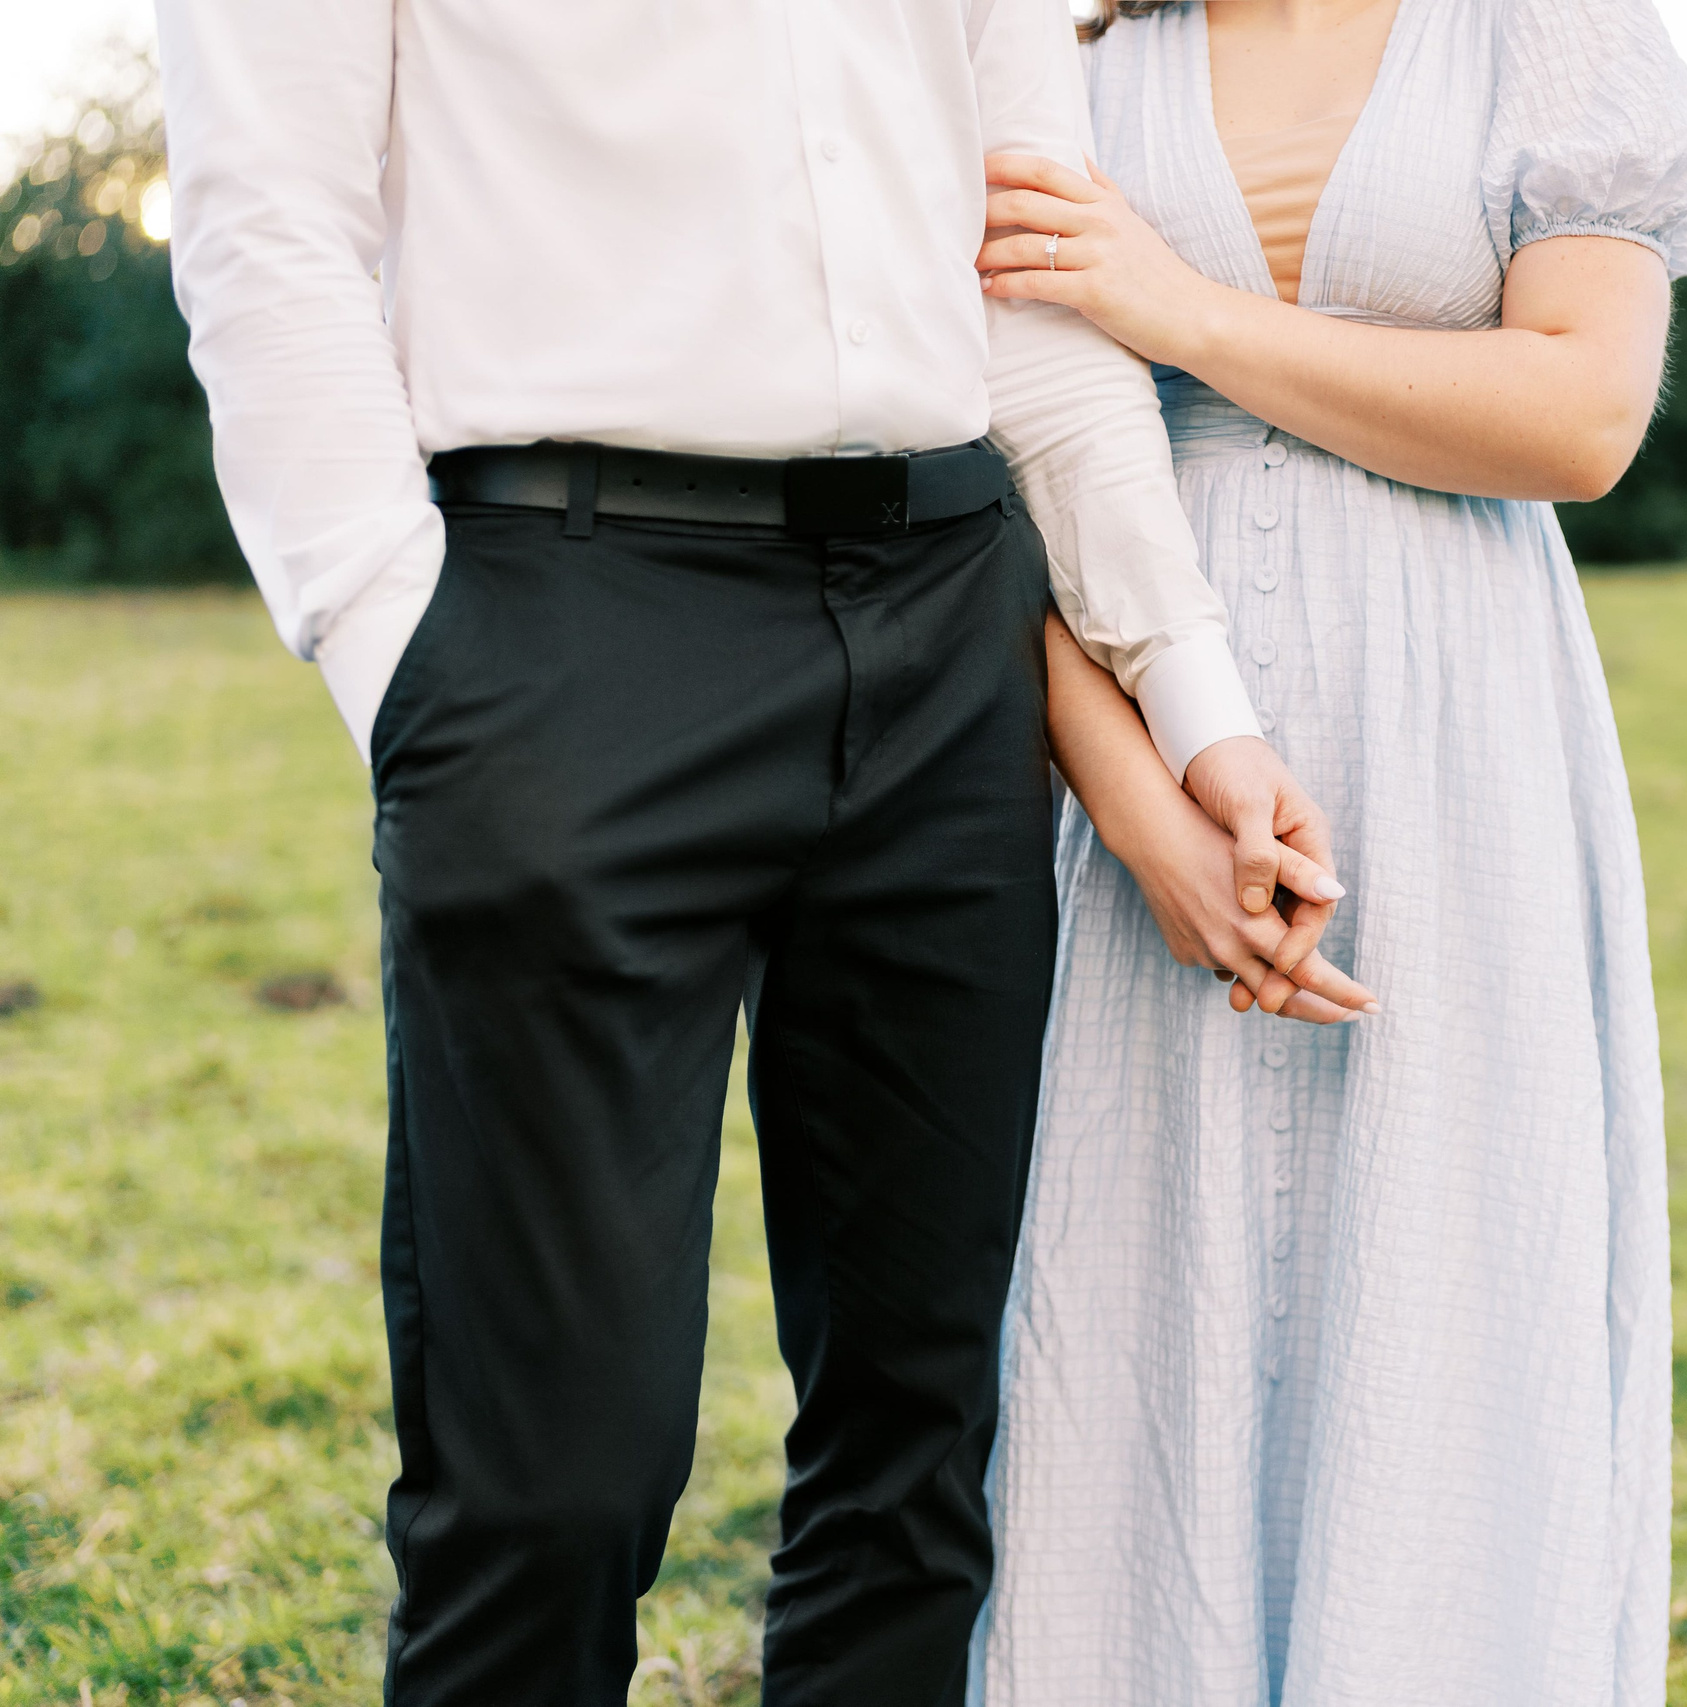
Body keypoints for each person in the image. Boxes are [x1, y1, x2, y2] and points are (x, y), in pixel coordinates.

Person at [153, 0, 1362, 1699]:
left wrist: (1197, 697)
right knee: (552, 1484)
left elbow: (1028, 275)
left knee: (916, 1454)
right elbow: (267, 222)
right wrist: (398, 653)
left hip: (949, 635)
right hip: (563, 626)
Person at [969, 0, 1687, 1700]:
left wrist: (1182, 314)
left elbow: (1582, 415)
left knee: (1451, 1267)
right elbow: (1004, 467)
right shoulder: (1059, 52)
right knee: (1129, 1283)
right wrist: (1138, 814)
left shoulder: (1549, 36)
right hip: (1136, 737)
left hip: (1460, 739)